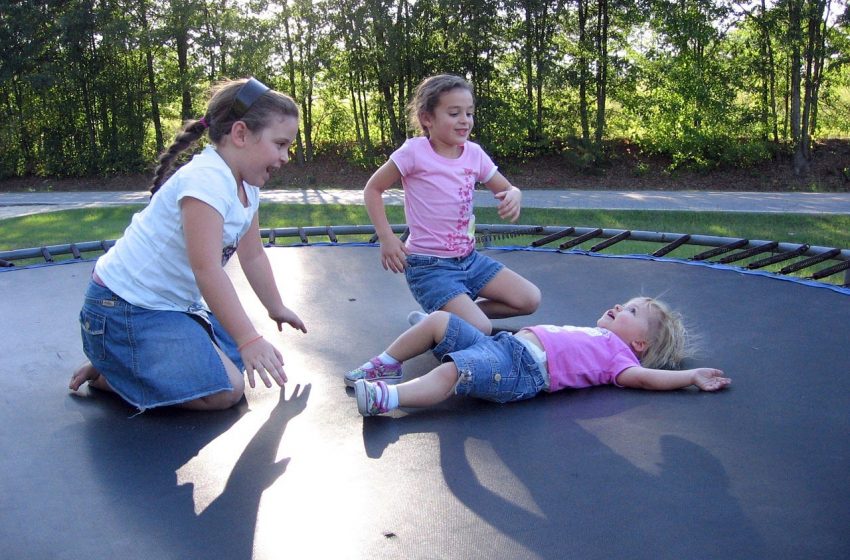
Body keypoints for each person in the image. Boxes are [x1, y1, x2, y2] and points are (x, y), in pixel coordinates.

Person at [69, 77, 307, 412]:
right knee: (227, 389)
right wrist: (250, 338)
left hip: (167, 307)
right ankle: (114, 367)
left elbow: (252, 255)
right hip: (122, 308)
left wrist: (275, 307)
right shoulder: (205, 181)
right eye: (280, 144)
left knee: (239, 358)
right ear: (240, 134)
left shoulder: (247, 186)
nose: (285, 157)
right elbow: (207, 270)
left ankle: (123, 359)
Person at [363, 74, 540, 337]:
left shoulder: (474, 154)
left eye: (469, 113)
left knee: (529, 299)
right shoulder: (413, 152)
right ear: (427, 118)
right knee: (480, 327)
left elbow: (506, 188)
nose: (465, 120)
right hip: (430, 266)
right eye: (454, 113)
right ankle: (450, 319)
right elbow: (373, 189)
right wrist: (387, 238)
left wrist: (515, 195)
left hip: (469, 260)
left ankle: (443, 317)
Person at [346, 297, 731, 416]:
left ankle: (387, 399)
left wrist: (690, 375)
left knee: (455, 371)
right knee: (439, 320)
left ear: (640, 345)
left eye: (631, 312)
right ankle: (387, 362)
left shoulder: (620, 359)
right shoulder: (598, 334)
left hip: (519, 372)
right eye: (626, 302)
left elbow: (648, 379)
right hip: (504, 346)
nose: (619, 306)